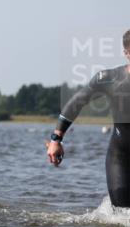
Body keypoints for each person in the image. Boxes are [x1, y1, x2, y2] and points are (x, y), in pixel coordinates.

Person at [47, 29, 130, 208]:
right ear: (126, 53)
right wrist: (56, 139)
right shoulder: (111, 79)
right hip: (122, 158)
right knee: (124, 217)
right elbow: (77, 102)